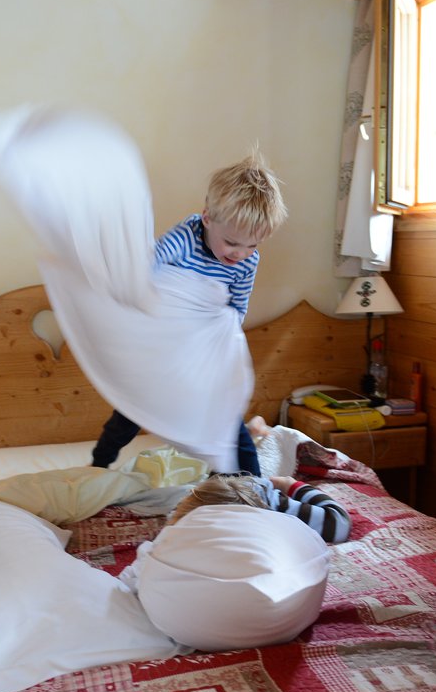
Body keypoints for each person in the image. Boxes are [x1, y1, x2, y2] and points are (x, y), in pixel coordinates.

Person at [91, 149, 288, 475]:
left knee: (227, 421)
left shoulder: (247, 261)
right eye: (231, 242)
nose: (240, 254)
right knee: (130, 412)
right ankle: (99, 464)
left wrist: (217, 341)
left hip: (201, 352)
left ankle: (253, 486)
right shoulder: (185, 238)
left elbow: (237, 306)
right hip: (163, 345)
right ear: (207, 218)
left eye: (252, 245)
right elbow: (146, 266)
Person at [168, 472, 352, 544]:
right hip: (248, 489)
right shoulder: (270, 503)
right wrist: (291, 485)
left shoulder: (271, 501)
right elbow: (339, 521)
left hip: (243, 487)